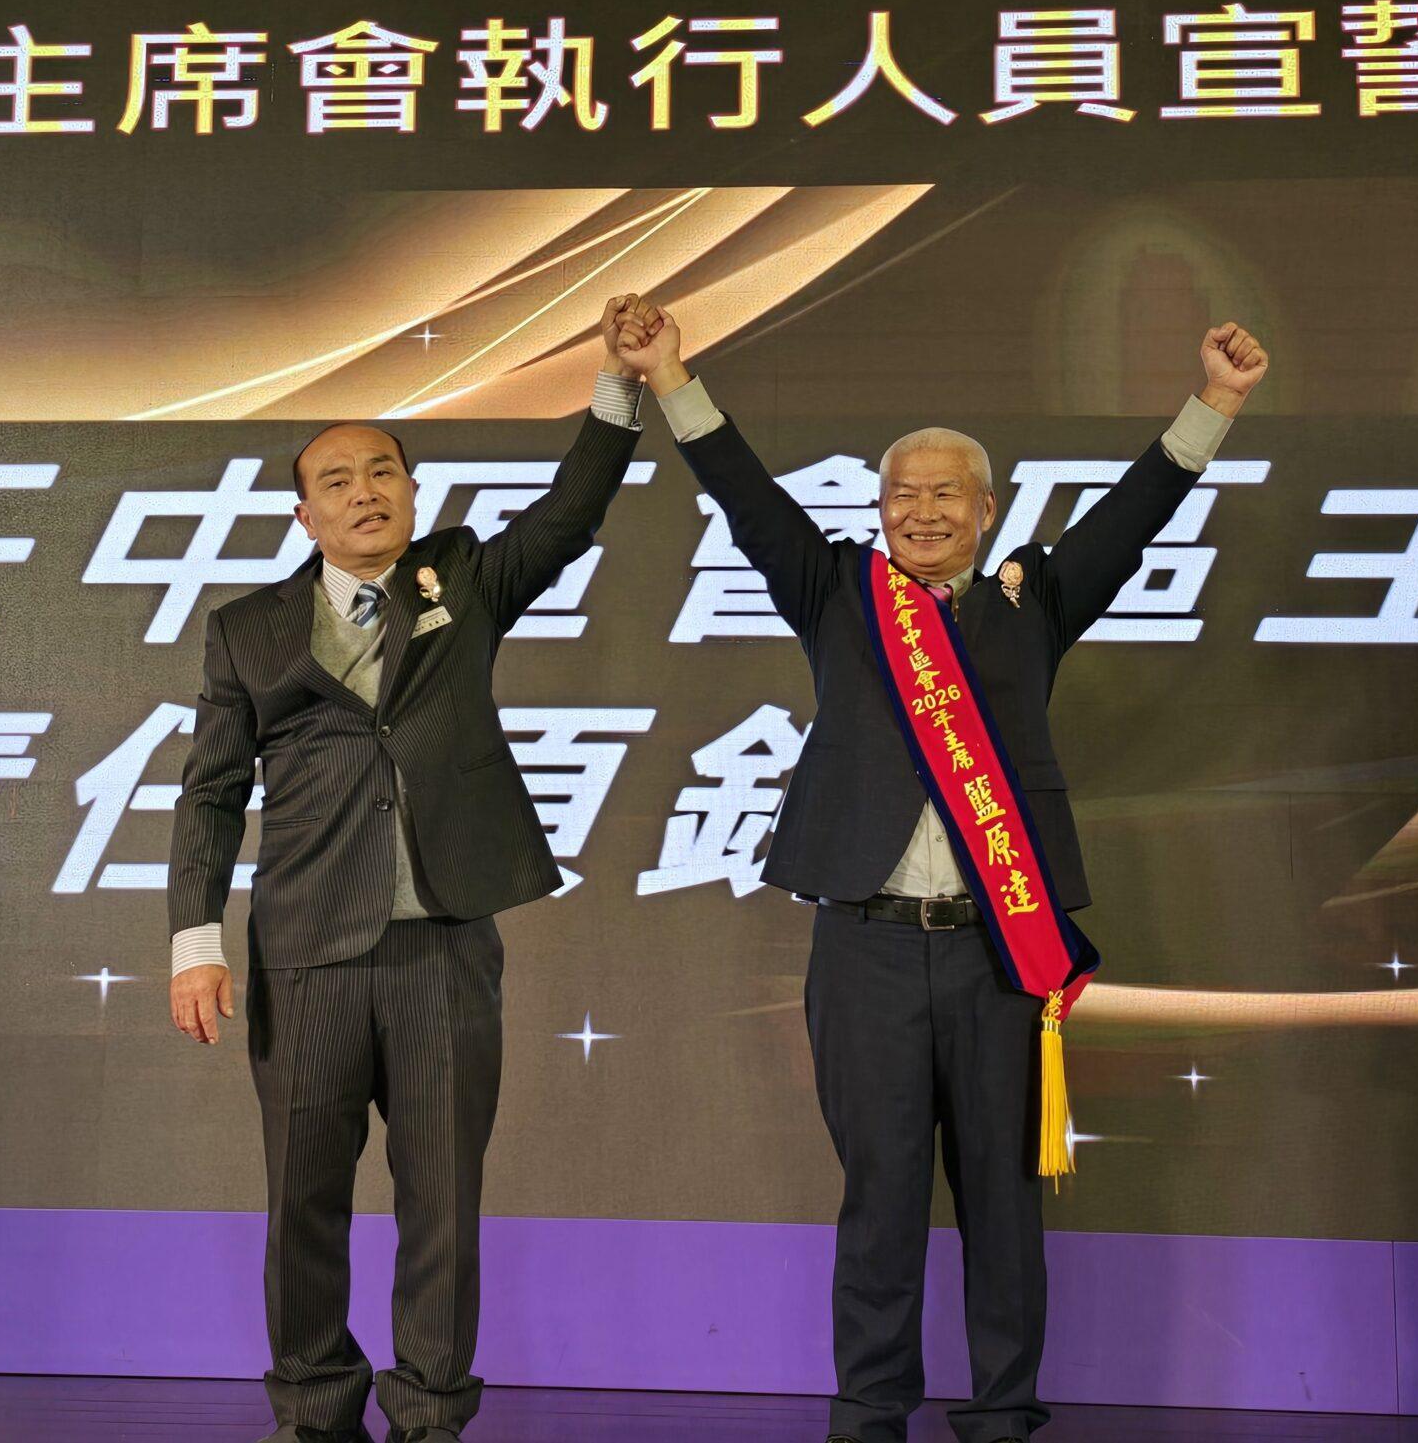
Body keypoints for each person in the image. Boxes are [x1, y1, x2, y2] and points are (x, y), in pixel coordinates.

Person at [614, 303, 1269, 1443]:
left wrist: (1214, 400)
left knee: (1003, 1200)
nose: (921, 511)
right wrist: (670, 373)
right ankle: (869, 1412)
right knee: (879, 1193)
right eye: (901, 494)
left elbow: (1134, 515)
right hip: (863, 946)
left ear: (987, 510)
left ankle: (1003, 1411)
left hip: (996, 951)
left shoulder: (1034, 600)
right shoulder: (836, 591)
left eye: (945, 494)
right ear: (878, 510)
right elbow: (745, 493)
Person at [166, 295, 654, 1443]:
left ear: (413, 492)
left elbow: (570, 513)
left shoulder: (460, 581)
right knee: (303, 1202)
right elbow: (211, 791)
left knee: (443, 1196)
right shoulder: (248, 629)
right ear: (303, 513)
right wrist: (194, 941)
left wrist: (620, 386)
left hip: (442, 941)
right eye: (336, 480)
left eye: (382, 471)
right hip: (307, 952)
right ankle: (313, 1406)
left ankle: (431, 1408)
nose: (364, 492)